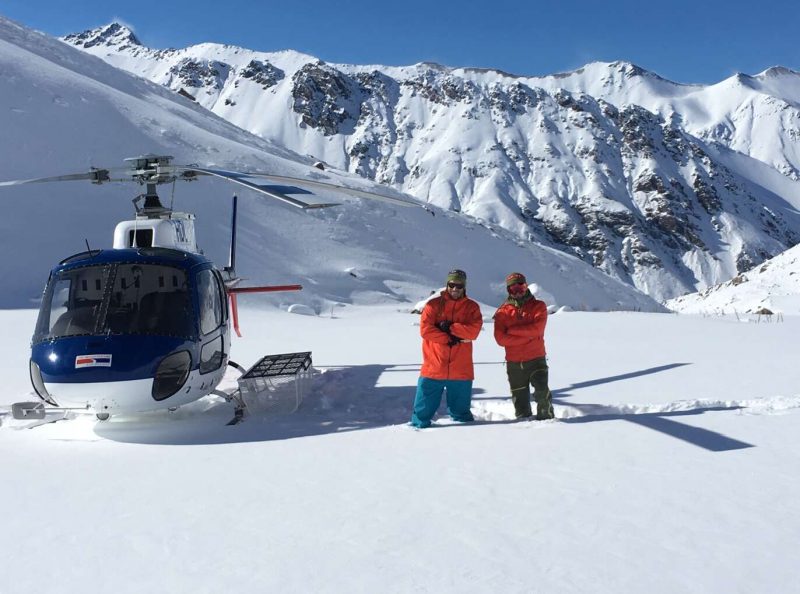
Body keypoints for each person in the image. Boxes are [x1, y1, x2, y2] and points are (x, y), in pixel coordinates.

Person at [410, 269, 483, 428]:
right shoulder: (433, 305)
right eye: (452, 285)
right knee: (420, 417)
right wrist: (449, 337)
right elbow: (426, 330)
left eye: (459, 285)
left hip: (461, 369)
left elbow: (474, 331)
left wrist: (449, 327)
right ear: (447, 285)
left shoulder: (472, 307)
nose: (455, 289)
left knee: (462, 417)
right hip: (434, 366)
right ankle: (415, 435)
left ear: (464, 287)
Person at [493, 272, 554, 420]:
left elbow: (537, 329)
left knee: (542, 393)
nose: (518, 292)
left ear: (526, 287)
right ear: (508, 290)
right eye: (513, 289)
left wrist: (512, 331)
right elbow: (500, 339)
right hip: (514, 363)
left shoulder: (538, 306)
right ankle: (522, 426)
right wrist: (527, 338)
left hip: (536, 359)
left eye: (521, 287)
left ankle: (549, 422)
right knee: (519, 398)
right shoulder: (502, 312)